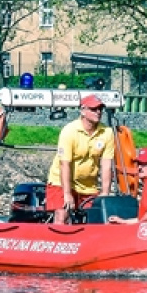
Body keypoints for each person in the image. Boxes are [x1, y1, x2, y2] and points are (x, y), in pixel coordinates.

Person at [45, 94, 115, 224]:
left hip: (88, 185)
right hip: (61, 182)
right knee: (62, 214)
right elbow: (65, 164)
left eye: (100, 109)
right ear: (83, 111)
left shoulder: (107, 132)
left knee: (96, 217)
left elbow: (106, 166)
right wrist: (67, 193)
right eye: (94, 109)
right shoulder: (69, 131)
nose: (98, 112)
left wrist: (105, 192)